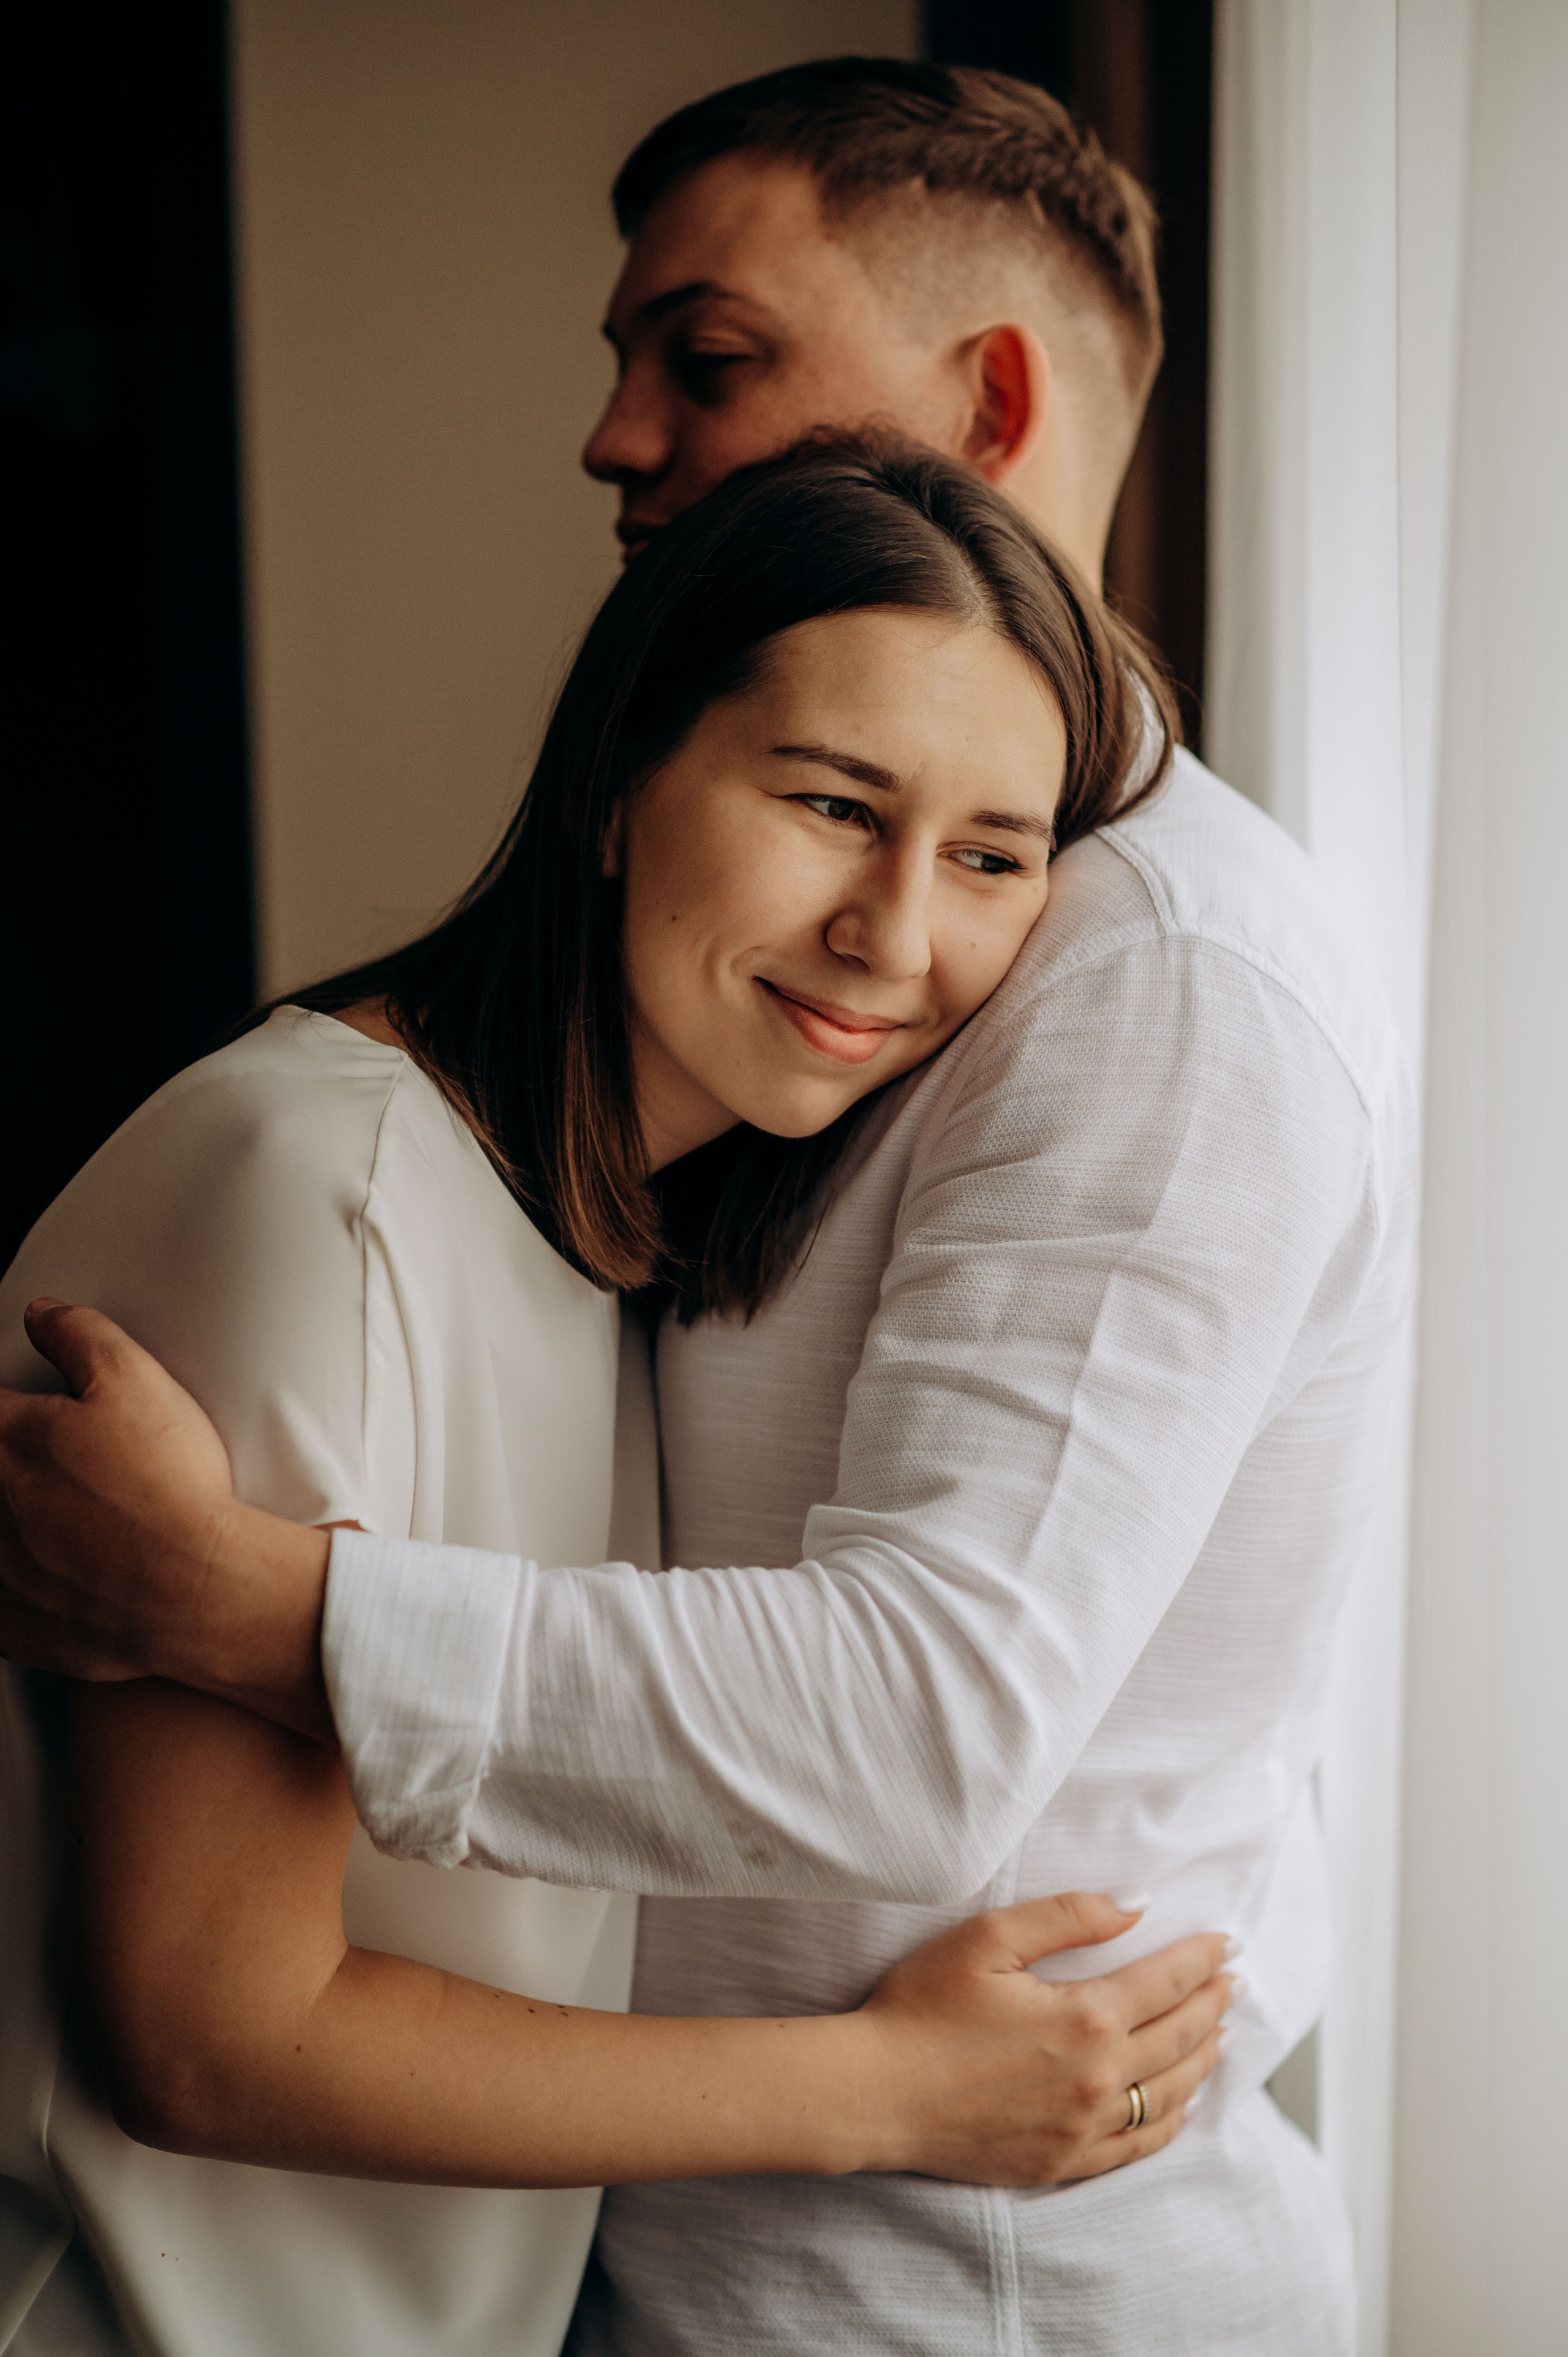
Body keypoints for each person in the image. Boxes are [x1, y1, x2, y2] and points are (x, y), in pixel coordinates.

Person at [0, 59, 1414, 2357]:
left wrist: (260, 1607)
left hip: (965, 2294)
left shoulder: (1153, 975)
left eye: (714, 354)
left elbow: (925, 1719)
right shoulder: (455, 1177)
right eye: (833, 803)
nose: (618, 437)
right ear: (615, 782)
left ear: (991, 405)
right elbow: (199, 2011)